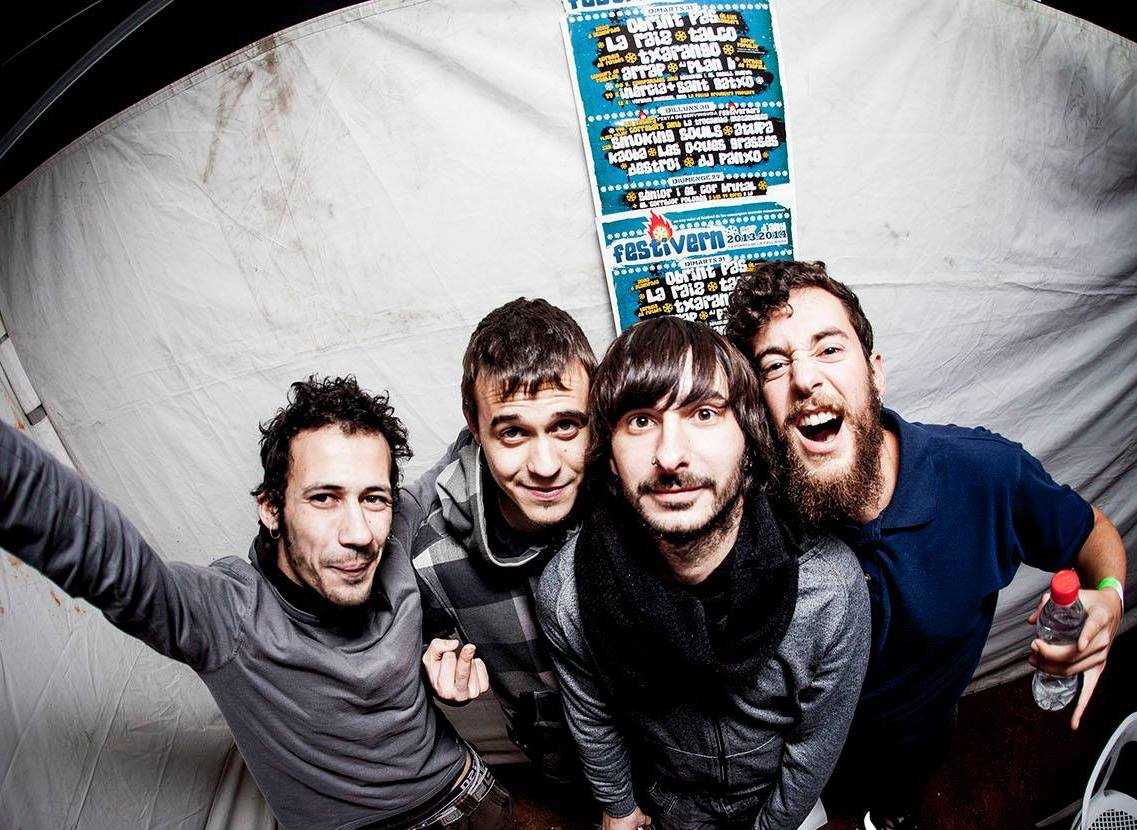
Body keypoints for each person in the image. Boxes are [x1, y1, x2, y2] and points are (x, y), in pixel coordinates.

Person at [0, 376, 512, 830]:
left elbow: (477, 440)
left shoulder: (395, 527)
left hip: (467, 790)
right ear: (271, 508)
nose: (359, 533)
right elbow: (113, 564)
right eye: (324, 498)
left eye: (373, 498)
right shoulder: (228, 615)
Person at [724, 260, 1128, 829]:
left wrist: (1109, 596)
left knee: (896, 810)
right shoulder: (746, 519)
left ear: (875, 373)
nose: (804, 379)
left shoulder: (983, 476)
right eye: (774, 364)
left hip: (918, 744)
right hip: (799, 760)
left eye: (829, 349)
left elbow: (1093, 533)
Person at [536, 316, 871, 830]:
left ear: (750, 441)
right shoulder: (568, 592)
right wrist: (619, 807)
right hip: (670, 802)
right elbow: (593, 718)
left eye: (705, 413)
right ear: (610, 459)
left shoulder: (827, 588)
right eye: (640, 421)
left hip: (777, 801)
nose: (670, 456)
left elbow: (815, 744)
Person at [408, 297, 596, 782]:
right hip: (560, 772)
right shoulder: (432, 560)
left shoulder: (637, 507)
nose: (546, 466)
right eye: (513, 433)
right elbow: (426, 654)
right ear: (475, 426)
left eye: (566, 426)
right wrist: (440, 675)